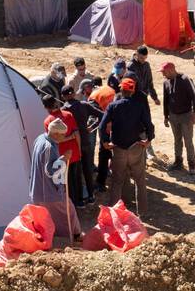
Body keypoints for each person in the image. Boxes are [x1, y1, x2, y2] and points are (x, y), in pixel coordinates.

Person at [100, 77, 154, 215]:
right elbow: (149, 125)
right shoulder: (139, 106)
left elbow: (102, 126)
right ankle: (143, 212)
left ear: (121, 90)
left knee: (117, 181)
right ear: (133, 90)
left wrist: (105, 142)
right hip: (135, 146)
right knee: (140, 181)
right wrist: (148, 140)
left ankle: (114, 213)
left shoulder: (113, 106)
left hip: (118, 148)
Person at [29, 117, 82, 243]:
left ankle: (56, 237)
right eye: (62, 135)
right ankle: (75, 235)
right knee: (68, 210)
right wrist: (64, 158)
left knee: (48, 217)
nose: (64, 138)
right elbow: (50, 171)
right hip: (49, 191)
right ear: (55, 133)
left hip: (38, 189)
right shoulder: (49, 147)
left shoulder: (40, 138)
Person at [43, 94, 84, 207]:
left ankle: (71, 204)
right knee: (77, 177)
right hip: (74, 152)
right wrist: (79, 150)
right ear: (56, 103)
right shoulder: (68, 115)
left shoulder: (48, 121)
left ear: (46, 107)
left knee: (67, 181)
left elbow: (53, 140)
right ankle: (80, 201)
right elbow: (77, 134)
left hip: (61, 155)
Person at [63, 83, 100, 203]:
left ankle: (79, 199)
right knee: (88, 170)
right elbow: (102, 115)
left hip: (73, 145)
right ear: (74, 93)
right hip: (86, 142)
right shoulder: (84, 105)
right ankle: (91, 196)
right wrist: (92, 126)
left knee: (76, 173)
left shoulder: (64, 111)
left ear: (63, 97)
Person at [160, 62, 195, 173]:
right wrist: (166, 116)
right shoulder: (166, 82)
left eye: (164, 72)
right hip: (173, 116)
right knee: (177, 140)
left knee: (188, 141)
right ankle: (178, 162)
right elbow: (165, 100)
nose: (163, 75)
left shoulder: (186, 79)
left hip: (186, 116)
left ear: (171, 70)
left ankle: (192, 165)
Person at [89, 78, 117, 191]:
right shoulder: (95, 95)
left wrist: (104, 140)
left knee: (104, 152)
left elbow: (103, 123)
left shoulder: (98, 101)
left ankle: (101, 182)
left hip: (111, 121)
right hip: (113, 113)